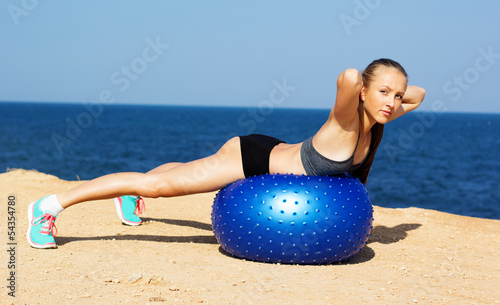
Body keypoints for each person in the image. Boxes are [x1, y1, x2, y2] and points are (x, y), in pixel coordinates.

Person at [27, 58, 426, 249]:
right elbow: (349, 77)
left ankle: (130, 195)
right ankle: (49, 206)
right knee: (161, 186)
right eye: (383, 92)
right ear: (364, 92)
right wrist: (364, 86)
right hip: (251, 158)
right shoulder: (346, 119)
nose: (392, 102)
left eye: (396, 94)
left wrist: (387, 90)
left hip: (275, 151)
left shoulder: (378, 125)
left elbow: (419, 96)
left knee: (178, 176)